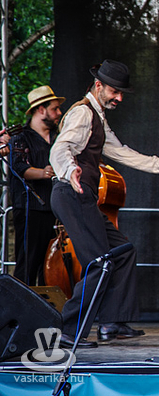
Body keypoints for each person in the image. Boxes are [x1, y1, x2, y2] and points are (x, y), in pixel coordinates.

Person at [50, 59, 159, 348]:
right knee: (99, 263)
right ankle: (67, 330)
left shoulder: (97, 118)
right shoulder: (82, 113)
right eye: (115, 91)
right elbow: (61, 148)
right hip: (71, 193)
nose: (119, 98)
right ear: (98, 85)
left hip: (83, 197)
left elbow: (122, 153)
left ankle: (112, 321)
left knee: (123, 251)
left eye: (121, 93)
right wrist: (69, 170)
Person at [10, 85, 64, 285]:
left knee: (51, 265)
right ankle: (20, 303)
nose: (59, 113)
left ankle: (47, 302)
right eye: (54, 109)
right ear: (41, 110)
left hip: (55, 208)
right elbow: (18, 167)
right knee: (28, 263)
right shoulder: (21, 137)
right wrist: (43, 173)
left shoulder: (59, 138)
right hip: (30, 208)